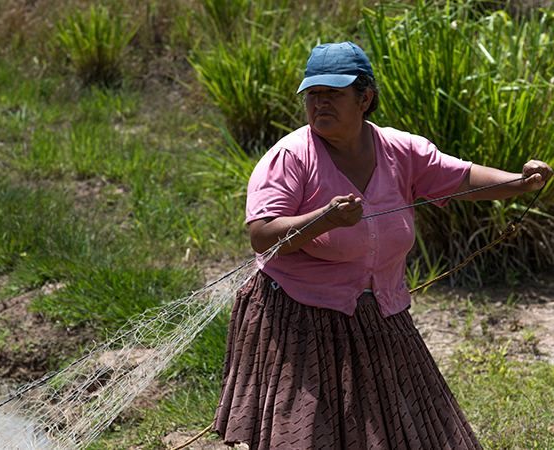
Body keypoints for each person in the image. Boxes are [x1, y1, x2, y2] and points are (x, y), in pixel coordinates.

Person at [211, 41, 552, 450]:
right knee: (310, 435)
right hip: (301, 317)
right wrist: (322, 218)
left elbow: (460, 178)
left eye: (333, 94)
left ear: (365, 97)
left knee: (410, 432)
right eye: (312, 95)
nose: (319, 104)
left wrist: (519, 182)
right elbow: (263, 236)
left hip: (382, 314)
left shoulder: (401, 150)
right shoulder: (289, 157)